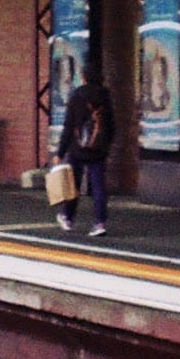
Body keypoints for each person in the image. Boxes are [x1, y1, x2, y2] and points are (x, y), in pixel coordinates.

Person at [56, 59, 116, 236]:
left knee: (72, 184)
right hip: (98, 149)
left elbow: (69, 125)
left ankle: (67, 217)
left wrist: (60, 151)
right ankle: (99, 223)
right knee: (98, 186)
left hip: (77, 148)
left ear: (83, 77)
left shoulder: (77, 95)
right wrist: (106, 145)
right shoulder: (105, 96)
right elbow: (112, 125)